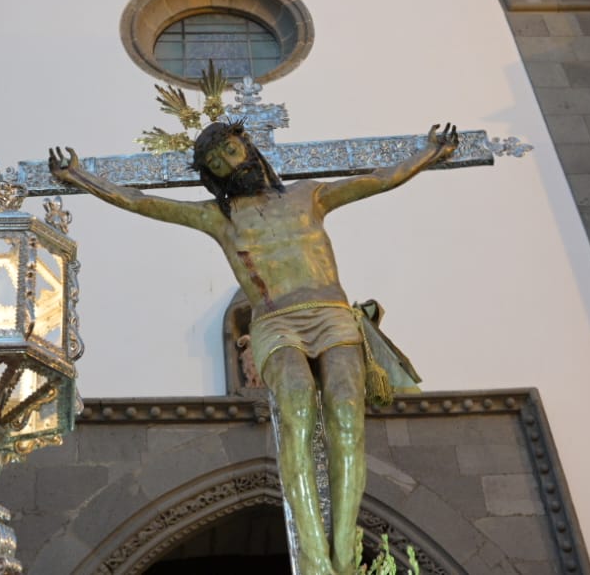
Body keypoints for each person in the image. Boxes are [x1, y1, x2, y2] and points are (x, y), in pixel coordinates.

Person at [49, 120, 459, 575]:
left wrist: (430, 154)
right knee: (296, 409)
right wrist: (79, 177)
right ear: (210, 174)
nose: (228, 162)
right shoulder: (217, 218)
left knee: (346, 410)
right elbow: (144, 202)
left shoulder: (310, 196)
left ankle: (343, 549)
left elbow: (379, 180)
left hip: (330, 311)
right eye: (215, 162)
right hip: (275, 320)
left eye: (229, 149)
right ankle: (315, 557)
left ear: (246, 144)